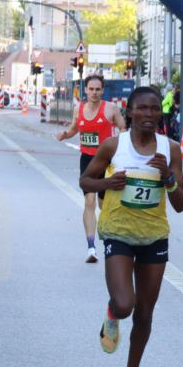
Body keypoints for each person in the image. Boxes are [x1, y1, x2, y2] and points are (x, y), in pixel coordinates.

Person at [80, 87, 183, 367]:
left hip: (154, 235)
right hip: (118, 231)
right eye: (143, 109)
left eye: (155, 109)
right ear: (130, 112)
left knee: (144, 314)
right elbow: (86, 181)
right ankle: (113, 314)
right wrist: (107, 184)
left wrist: (168, 178)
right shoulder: (115, 146)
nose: (150, 115)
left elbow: (180, 204)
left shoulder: (170, 150)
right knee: (126, 303)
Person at [56, 74, 127, 263]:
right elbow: (73, 129)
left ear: (102, 90)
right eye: (91, 89)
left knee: (104, 206)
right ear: (85, 90)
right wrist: (65, 135)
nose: (94, 93)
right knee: (89, 202)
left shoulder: (111, 108)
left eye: (98, 89)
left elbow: (123, 128)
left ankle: (110, 240)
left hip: (106, 161)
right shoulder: (78, 108)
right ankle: (91, 247)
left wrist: (119, 144)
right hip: (87, 161)